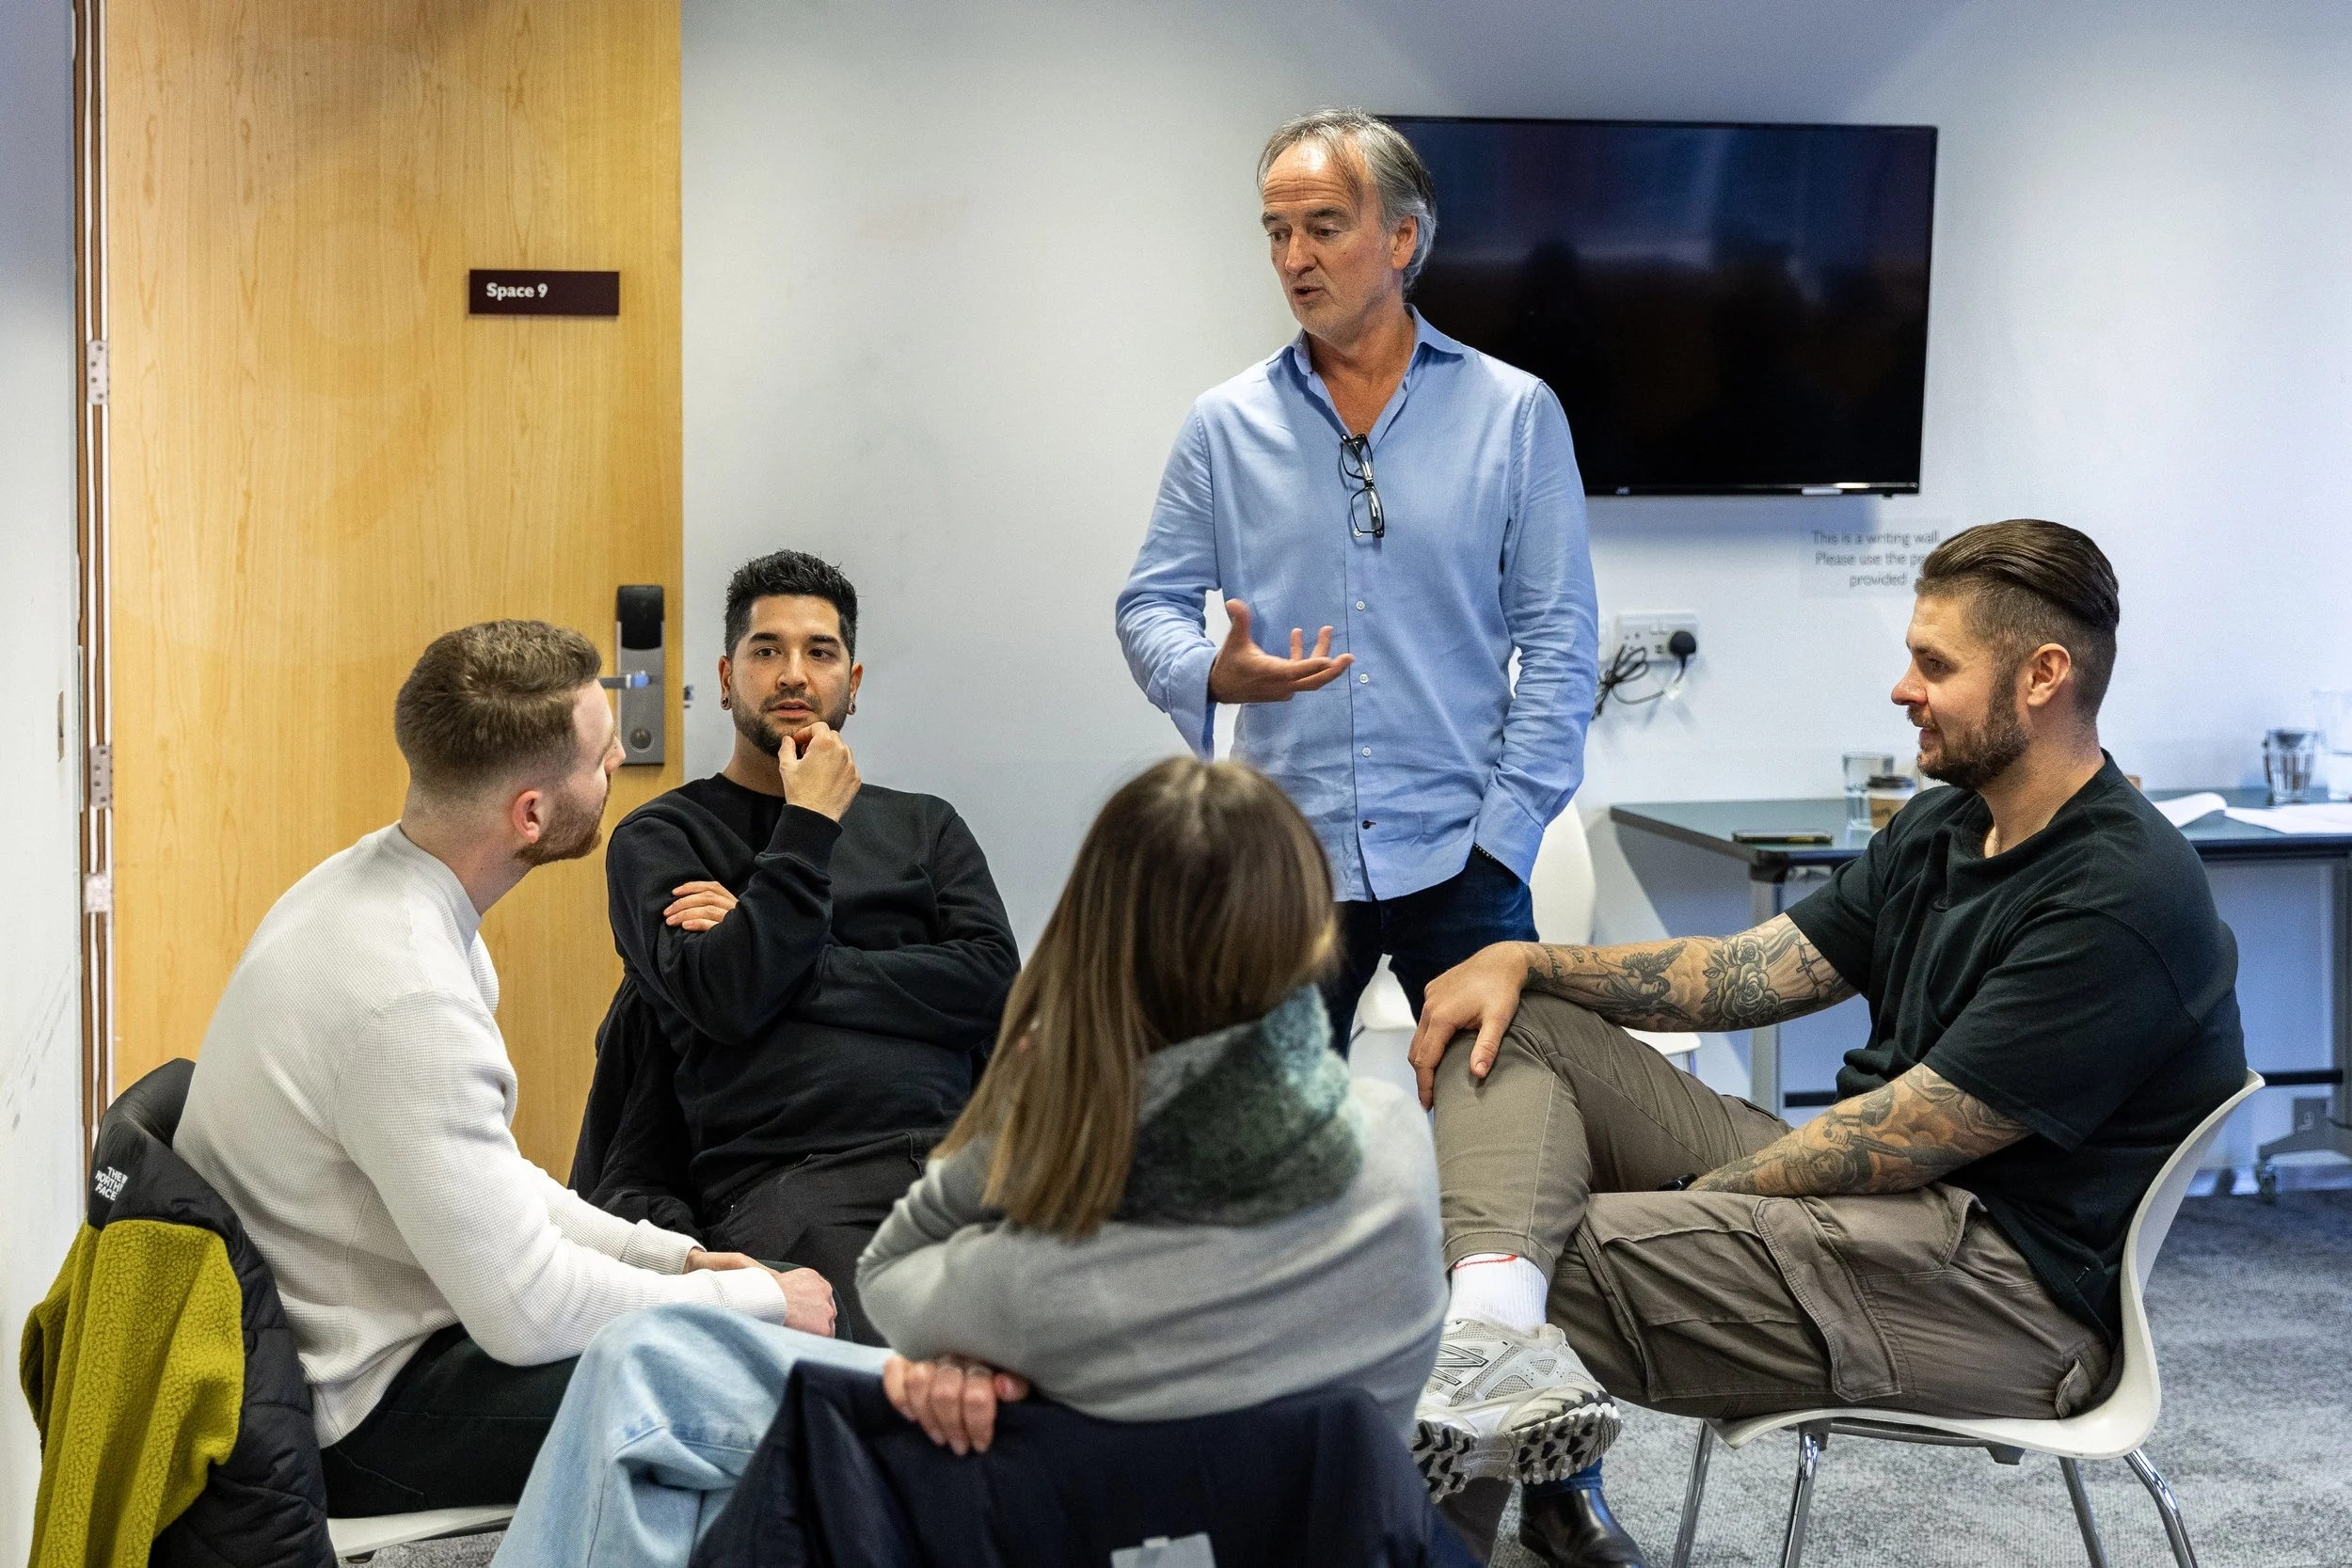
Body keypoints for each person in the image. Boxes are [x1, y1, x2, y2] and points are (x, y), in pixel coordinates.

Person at [1406, 520, 2247, 1568]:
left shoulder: (2121, 893)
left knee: (1492, 1256)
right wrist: (1529, 964)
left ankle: (1465, 1422)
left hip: (1999, 1289)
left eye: (1933, 664)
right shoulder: (1943, 824)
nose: (1903, 687)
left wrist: (1691, 1198)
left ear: (2041, 676)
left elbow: (1903, 1138)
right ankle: (1493, 1340)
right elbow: (1745, 972)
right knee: (1511, 1031)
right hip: (1875, 1210)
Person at [491, 758, 1450, 1568]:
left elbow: (892, 1276)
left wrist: (1032, 1094)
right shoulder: (1397, 1146)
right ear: (1312, 935)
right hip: (1289, 1525)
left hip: (1048, 1518)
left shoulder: (1038, 1268)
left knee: (646, 1361)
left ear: (1090, 939)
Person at [176, 621, 836, 1518]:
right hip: (360, 1417)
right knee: (779, 1413)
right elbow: (528, 1309)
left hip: (382, 1336)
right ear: (531, 813)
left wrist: (675, 1262)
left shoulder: (372, 887)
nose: (615, 771)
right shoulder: (403, 994)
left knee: (743, 1356)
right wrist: (750, 1298)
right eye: (604, 758)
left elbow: (493, 1184)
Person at [1115, 107, 1599, 1058]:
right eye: (1276, 230)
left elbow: (1560, 644)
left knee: (1509, 1142)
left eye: (1323, 226)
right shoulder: (1224, 425)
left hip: (1463, 853)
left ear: (1401, 238)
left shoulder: (1513, 414)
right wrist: (1213, 673)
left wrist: (1503, 837)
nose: (1294, 255)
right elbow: (1149, 604)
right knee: (1262, 1158)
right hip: (1282, 863)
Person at [597, 550, 1020, 1343]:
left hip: (962, 1166)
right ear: (726, 678)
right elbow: (730, 994)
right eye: (767, 651)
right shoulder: (662, 838)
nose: (793, 673)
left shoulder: (925, 826)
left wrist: (802, 961)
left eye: (820, 652)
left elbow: (992, 984)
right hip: (794, 1180)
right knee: (909, 1382)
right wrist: (810, 825)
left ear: (852, 683)